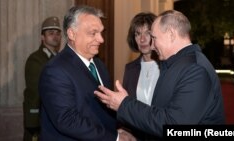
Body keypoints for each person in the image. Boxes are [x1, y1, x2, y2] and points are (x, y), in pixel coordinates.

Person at [95, 10, 225, 139]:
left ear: (171, 34)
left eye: (154, 38)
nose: (151, 46)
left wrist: (124, 104)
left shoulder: (195, 70)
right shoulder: (175, 64)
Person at [38, 5, 135, 141]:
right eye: (93, 33)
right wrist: (115, 138)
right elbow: (68, 120)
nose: (101, 39)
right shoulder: (55, 70)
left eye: (101, 32)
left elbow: (102, 111)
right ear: (72, 34)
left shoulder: (99, 65)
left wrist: (118, 128)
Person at [23, 16, 62, 141]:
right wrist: (33, 123)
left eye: (57, 33)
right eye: (51, 33)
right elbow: (34, 93)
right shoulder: (35, 59)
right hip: (42, 120)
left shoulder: (60, 58)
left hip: (57, 118)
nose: (55, 36)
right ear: (42, 37)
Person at [122, 12, 160, 140]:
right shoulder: (130, 69)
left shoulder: (168, 68)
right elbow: (126, 109)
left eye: (147, 33)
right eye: (138, 34)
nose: (142, 39)